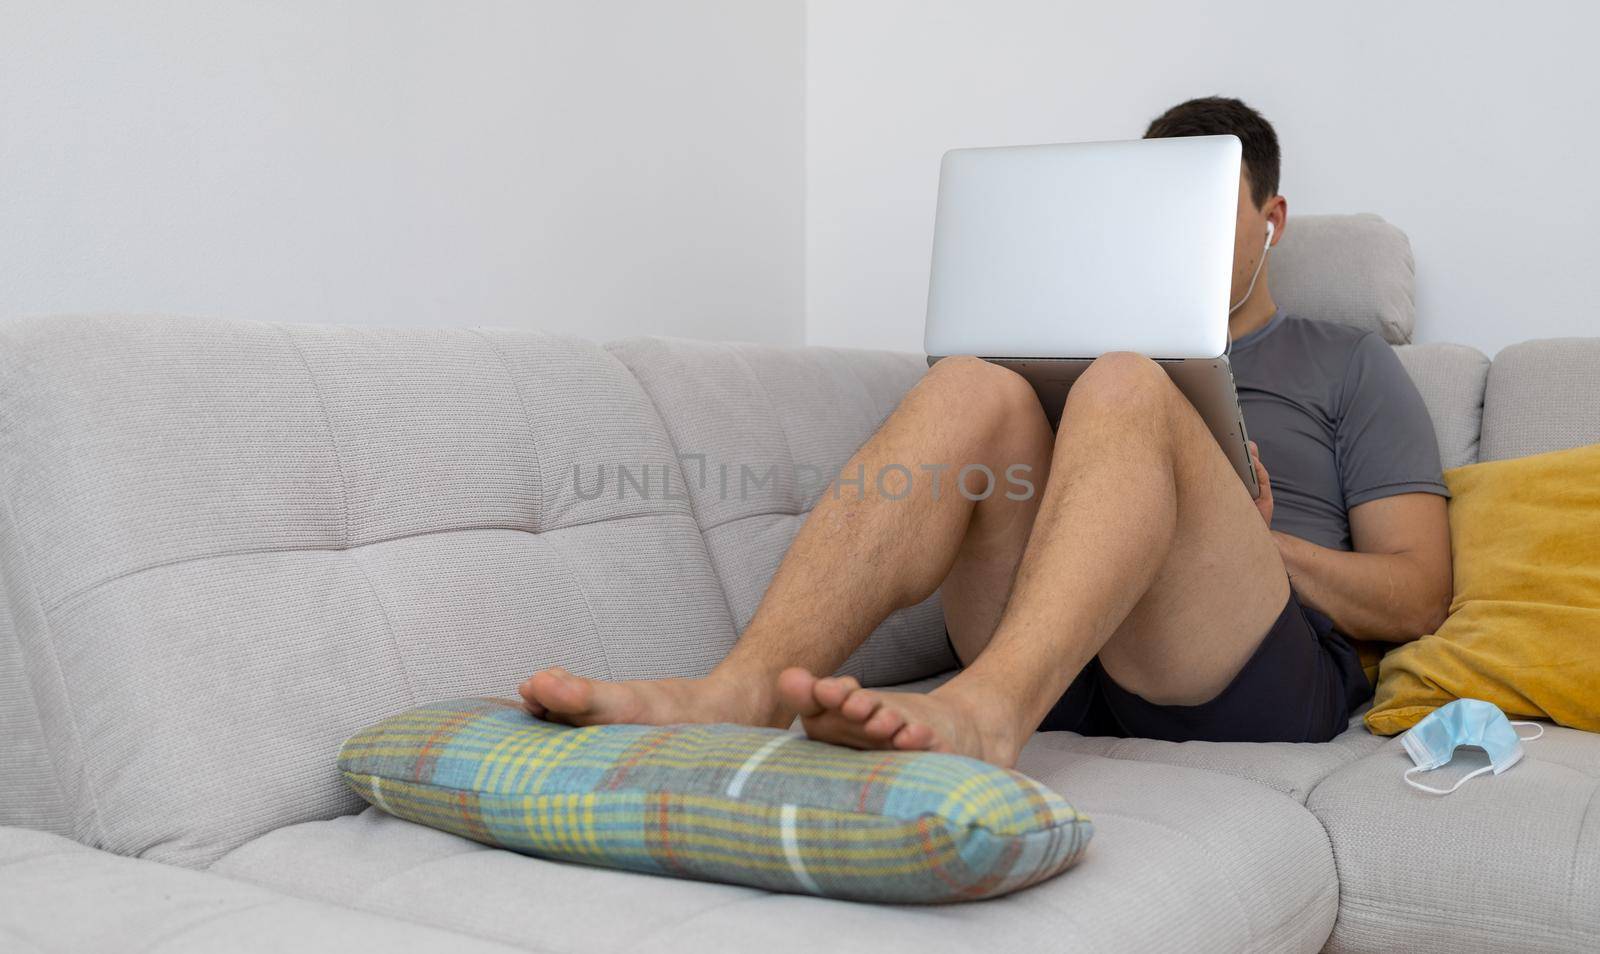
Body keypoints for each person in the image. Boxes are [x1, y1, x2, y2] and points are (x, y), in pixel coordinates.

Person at [516, 96, 1453, 768]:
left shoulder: (1348, 361)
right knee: (975, 381)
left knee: (1126, 380)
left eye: (1208, 206)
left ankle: (991, 711)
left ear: (1272, 218)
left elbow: (1417, 597)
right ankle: (746, 688)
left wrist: (1259, 539)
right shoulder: (1072, 337)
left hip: (1246, 668)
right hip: (1074, 663)